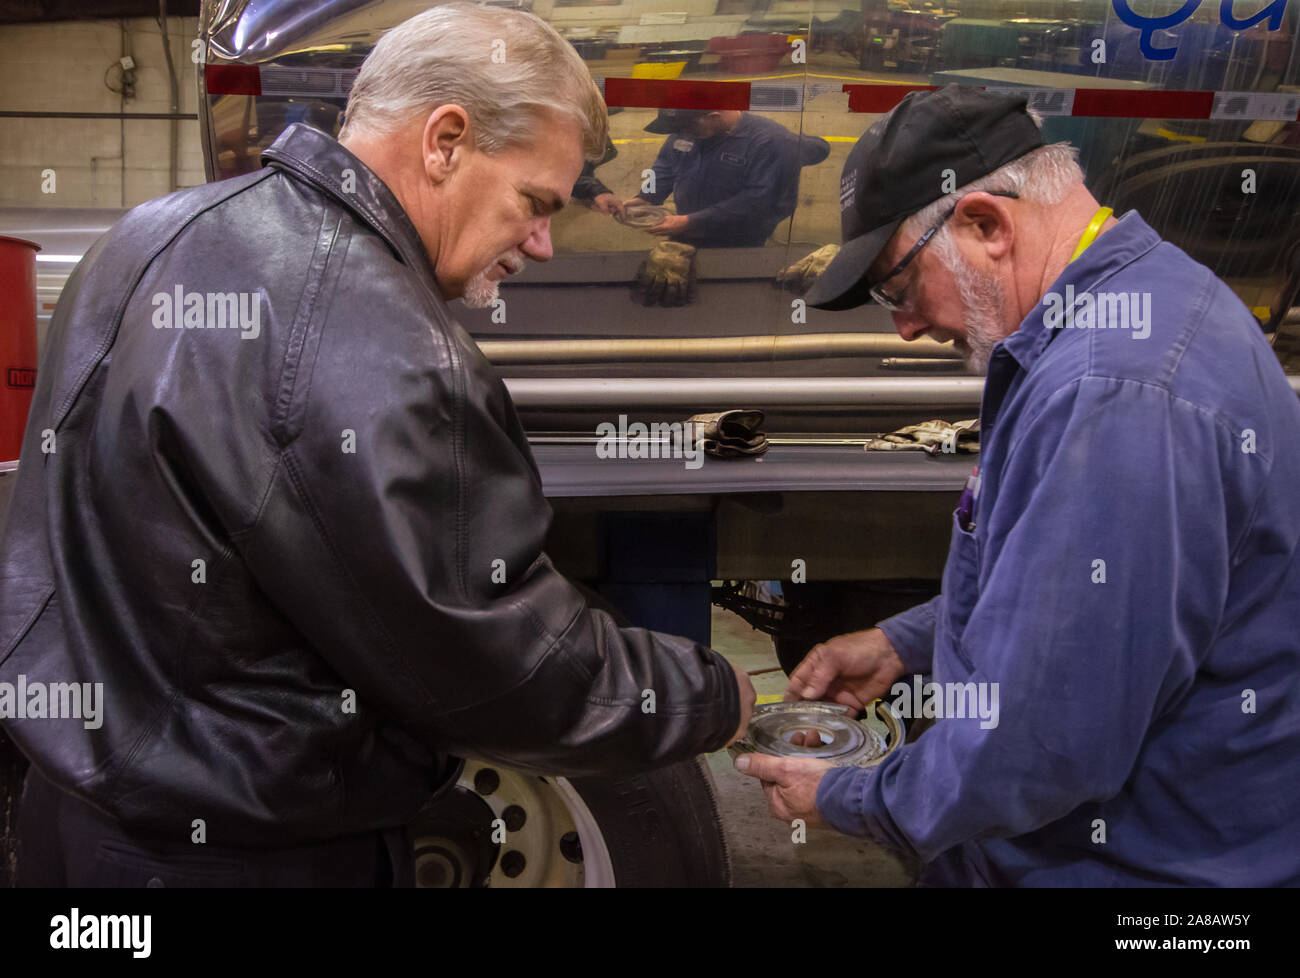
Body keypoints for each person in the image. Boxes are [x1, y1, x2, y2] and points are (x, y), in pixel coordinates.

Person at [0, 3, 752, 887]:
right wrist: (713, 696)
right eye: (535, 202)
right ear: (445, 140)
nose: (543, 244)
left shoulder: (146, 234)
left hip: (64, 823)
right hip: (249, 856)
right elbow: (495, 666)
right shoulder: (388, 343)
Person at [735, 85, 1300, 886]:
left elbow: (1047, 740)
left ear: (985, 225)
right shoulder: (1148, 300)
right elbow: (1075, 597)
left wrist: (857, 796)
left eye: (898, 287)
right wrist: (911, 641)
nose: (904, 326)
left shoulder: (1114, 392)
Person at [630, 108, 828, 248]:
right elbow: (665, 166)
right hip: (685, 228)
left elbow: (758, 202)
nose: (682, 134)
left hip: (739, 238)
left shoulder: (770, 141)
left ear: (714, 116)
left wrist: (690, 222)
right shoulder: (689, 129)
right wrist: (644, 197)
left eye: (687, 129)